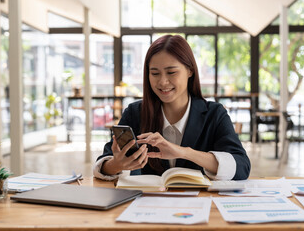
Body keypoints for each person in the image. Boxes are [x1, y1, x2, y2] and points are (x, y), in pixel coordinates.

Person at [94, 35, 250, 181]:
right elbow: (102, 165)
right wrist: (117, 165)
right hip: (148, 204)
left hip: (200, 205)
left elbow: (241, 167)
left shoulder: (214, 114)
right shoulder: (135, 113)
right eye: (155, 73)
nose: (162, 82)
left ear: (190, 71)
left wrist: (184, 152)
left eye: (171, 72)